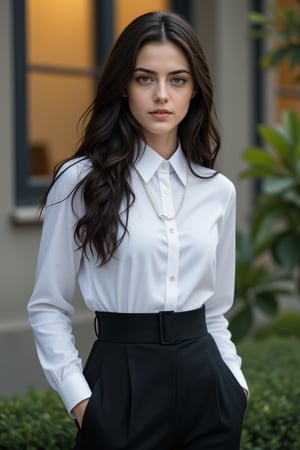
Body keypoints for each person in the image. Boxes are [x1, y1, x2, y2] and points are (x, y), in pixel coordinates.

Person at [28, 10, 249, 450]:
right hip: (120, 384)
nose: (161, 95)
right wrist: (81, 402)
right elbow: (48, 306)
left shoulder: (217, 191)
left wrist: (236, 385)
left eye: (178, 80)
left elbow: (215, 310)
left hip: (208, 388)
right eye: (145, 78)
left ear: (195, 91)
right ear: (123, 87)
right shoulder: (79, 180)